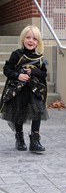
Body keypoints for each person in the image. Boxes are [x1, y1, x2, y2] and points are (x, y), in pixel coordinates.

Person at [0, 25, 49, 153]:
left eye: (34, 38)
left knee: (37, 111)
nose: (31, 41)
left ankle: (35, 140)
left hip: (35, 91)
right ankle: (19, 137)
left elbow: (44, 74)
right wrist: (18, 75)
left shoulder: (40, 58)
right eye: (28, 37)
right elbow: (7, 70)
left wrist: (34, 71)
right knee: (19, 114)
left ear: (38, 42)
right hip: (19, 91)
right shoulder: (17, 54)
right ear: (23, 39)